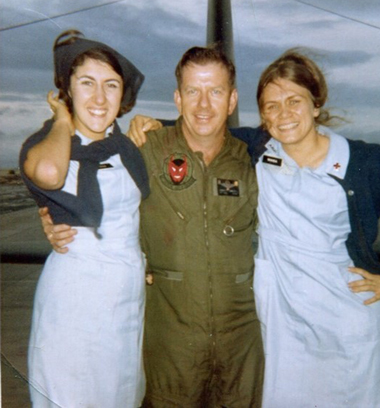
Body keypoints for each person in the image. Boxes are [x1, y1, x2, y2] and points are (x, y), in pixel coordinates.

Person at [40, 46, 264, 407]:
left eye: (216, 92)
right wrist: (52, 217)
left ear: (233, 99)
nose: (203, 105)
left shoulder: (253, 161)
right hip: (170, 348)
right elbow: (88, 186)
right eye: (193, 91)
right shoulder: (142, 151)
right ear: (177, 98)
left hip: (241, 347)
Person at [240, 48, 380, 407]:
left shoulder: (363, 161)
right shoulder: (256, 150)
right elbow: (201, 130)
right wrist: (148, 125)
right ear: (262, 115)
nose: (284, 114)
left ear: (315, 104)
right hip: (286, 327)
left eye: (294, 101)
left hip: (349, 323)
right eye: (271, 106)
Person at [19, 30, 151, 408]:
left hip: (126, 299)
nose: (99, 98)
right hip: (75, 300)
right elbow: (49, 174)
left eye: (111, 85)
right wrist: (62, 119)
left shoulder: (126, 148)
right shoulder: (47, 143)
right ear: (67, 90)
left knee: (120, 395)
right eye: (86, 84)